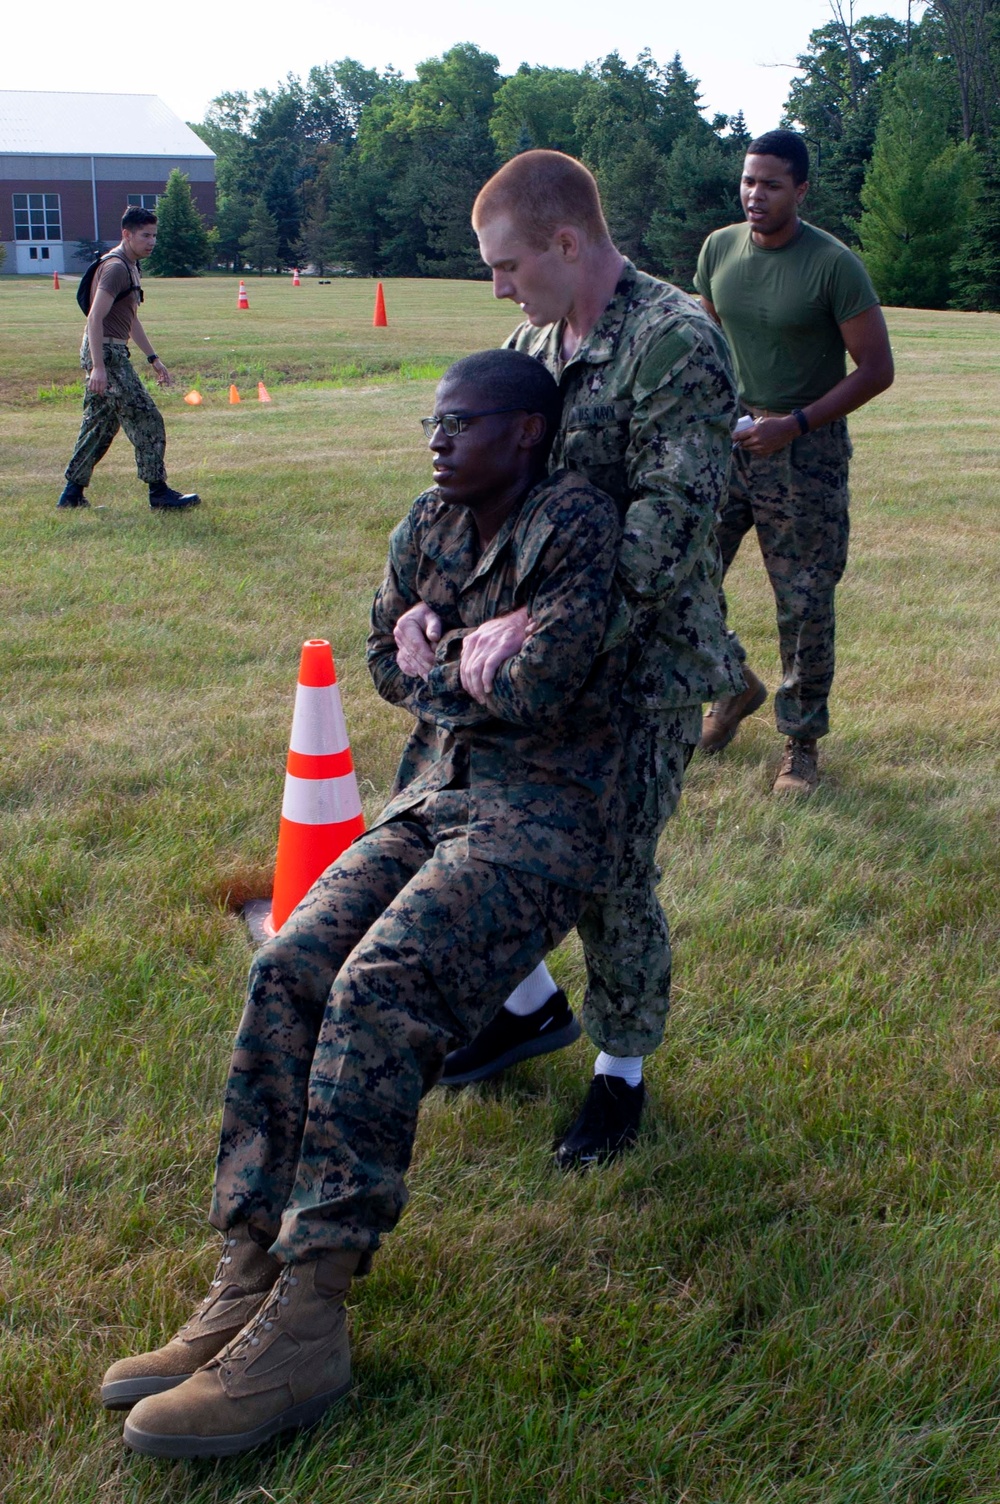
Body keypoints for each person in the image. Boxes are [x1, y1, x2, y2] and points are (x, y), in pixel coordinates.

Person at [99, 348, 626, 1458]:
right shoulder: (427, 522)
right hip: (436, 793)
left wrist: (451, 650)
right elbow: (391, 660)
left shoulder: (575, 522)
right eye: (432, 424)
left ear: (525, 432)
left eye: (461, 423)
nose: (437, 442)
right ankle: (246, 1278)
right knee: (289, 961)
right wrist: (450, 655)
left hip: (541, 817)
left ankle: (310, 1319)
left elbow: (539, 688)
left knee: (380, 988)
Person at [394, 150, 743, 1167]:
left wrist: (545, 626)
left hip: (643, 667)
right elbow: (491, 498)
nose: (498, 288)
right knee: (467, 831)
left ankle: (619, 1074)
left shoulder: (674, 343)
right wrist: (435, 594)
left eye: (507, 265)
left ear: (566, 241)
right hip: (529, 658)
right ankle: (528, 1006)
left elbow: (672, 526)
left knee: (611, 873)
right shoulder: (532, 344)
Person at [694, 129, 894, 793]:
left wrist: (797, 423)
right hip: (732, 443)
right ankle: (732, 685)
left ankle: (800, 746)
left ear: (800, 190)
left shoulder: (832, 265)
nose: (756, 194)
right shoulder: (719, 249)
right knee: (682, 574)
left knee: (803, 601)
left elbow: (876, 369)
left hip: (805, 452)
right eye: (749, 181)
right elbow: (709, 336)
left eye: (771, 184)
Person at [57, 205, 200, 511]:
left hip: (112, 350)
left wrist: (153, 358)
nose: (152, 242)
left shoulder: (131, 266)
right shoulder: (116, 267)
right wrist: (98, 367)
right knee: (147, 417)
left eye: (154, 235)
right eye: (145, 235)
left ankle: (70, 496)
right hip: (106, 353)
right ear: (127, 234)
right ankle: (159, 493)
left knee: (99, 426)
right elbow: (94, 318)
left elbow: (130, 319)